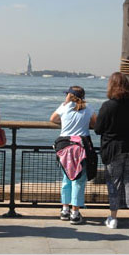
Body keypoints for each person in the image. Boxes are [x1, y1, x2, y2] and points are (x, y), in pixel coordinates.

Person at [94, 72, 129, 230]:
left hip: (114, 149)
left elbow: (98, 129)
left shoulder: (108, 106)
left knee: (114, 184)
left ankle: (113, 218)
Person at [50, 86, 97, 225]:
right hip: (81, 147)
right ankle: (75, 213)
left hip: (64, 147)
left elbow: (53, 119)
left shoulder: (64, 106)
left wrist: (65, 122)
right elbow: (95, 123)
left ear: (70, 95)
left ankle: (64, 210)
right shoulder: (88, 108)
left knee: (67, 178)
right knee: (78, 180)